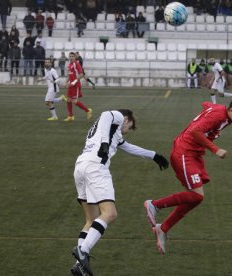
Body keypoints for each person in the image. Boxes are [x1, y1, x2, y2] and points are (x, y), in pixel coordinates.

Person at [143, 95, 232, 254]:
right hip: (184, 152)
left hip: (194, 155)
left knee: (196, 198)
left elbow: (206, 104)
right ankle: (154, 205)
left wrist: (212, 126)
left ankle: (163, 228)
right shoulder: (218, 115)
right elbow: (195, 131)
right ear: (231, 110)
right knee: (196, 196)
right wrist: (216, 149)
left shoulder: (221, 112)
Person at [70, 109, 169, 275]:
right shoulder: (115, 116)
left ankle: (79, 265)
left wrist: (154, 155)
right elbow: (106, 116)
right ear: (127, 119)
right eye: (130, 126)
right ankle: (83, 251)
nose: (129, 130)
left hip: (80, 167)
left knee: (91, 220)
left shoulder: (112, 133)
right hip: (96, 167)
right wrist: (104, 143)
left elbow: (129, 147)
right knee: (110, 213)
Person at [64, 52, 92, 122]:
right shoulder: (69, 64)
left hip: (75, 85)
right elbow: (69, 75)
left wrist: (74, 82)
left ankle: (88, 111)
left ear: (75, 57)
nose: (71, 57)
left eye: (72, 56)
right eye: (70, 56)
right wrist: (66, 82)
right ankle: (70, 116)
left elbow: (81, 74)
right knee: (68, 100)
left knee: (74, 101)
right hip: (71, 85)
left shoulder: (76, 64)